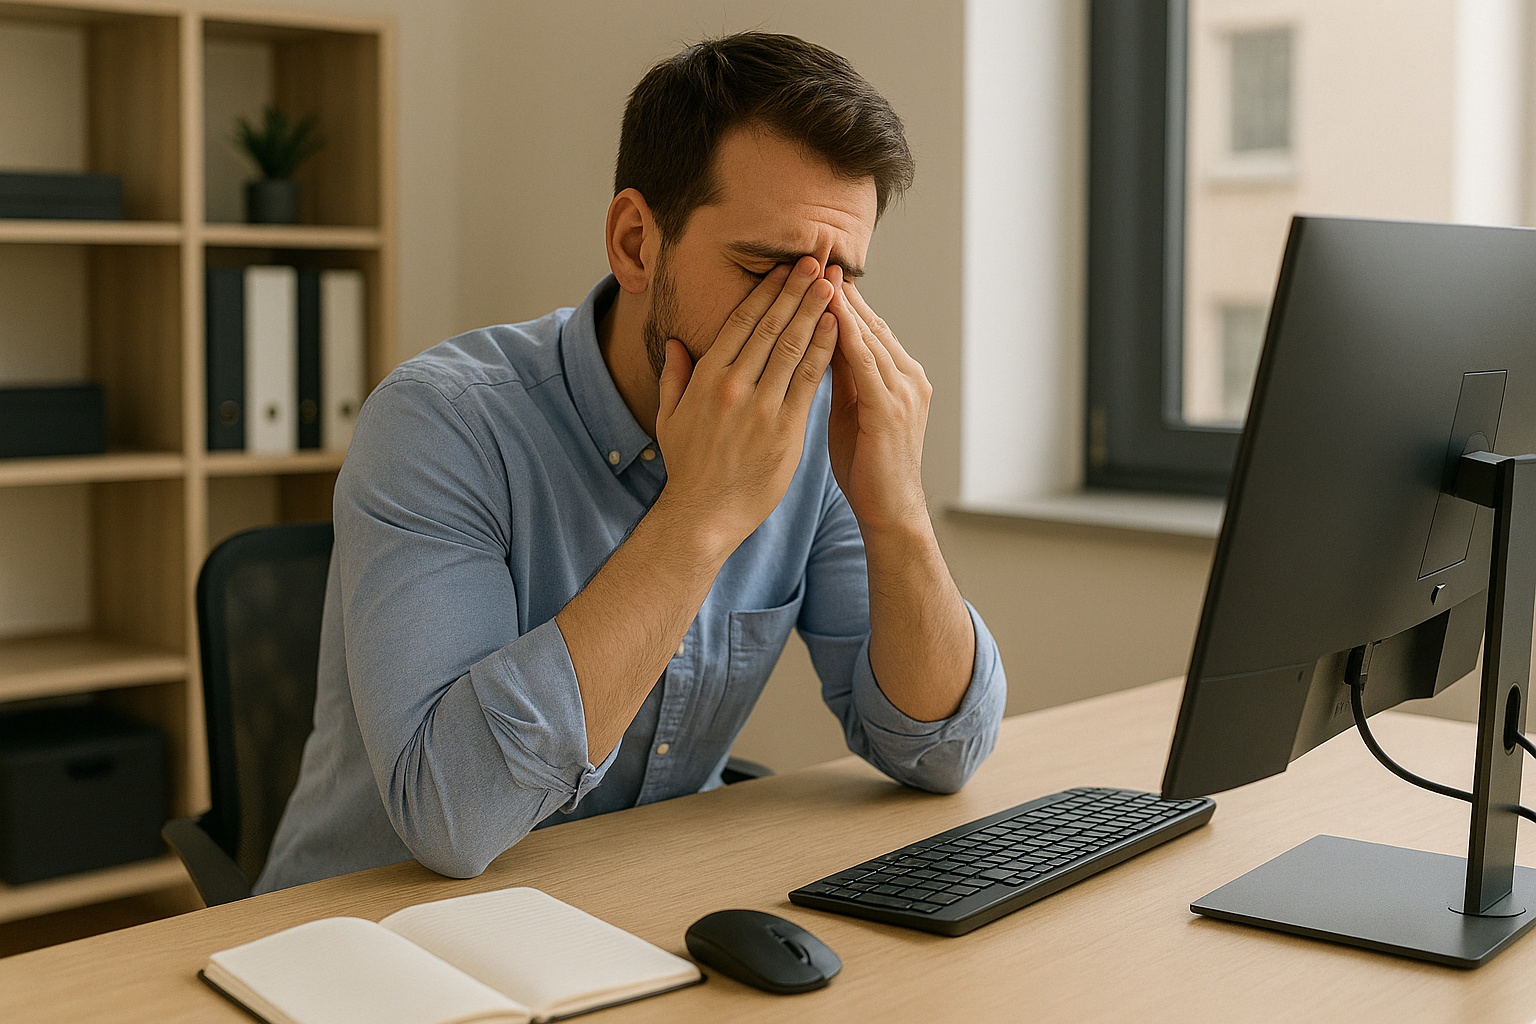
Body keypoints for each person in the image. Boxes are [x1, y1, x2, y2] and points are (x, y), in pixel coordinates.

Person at [256, 31, 1006, 894]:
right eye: (766, 267)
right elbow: (449, 816)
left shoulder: (812, 436)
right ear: (636, 243)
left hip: (634, 916)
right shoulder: (440, 423)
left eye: (840, 278)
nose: (808, 319)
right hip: (365, 936)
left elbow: (940, 752)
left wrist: (896, 508)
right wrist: (701, 515)